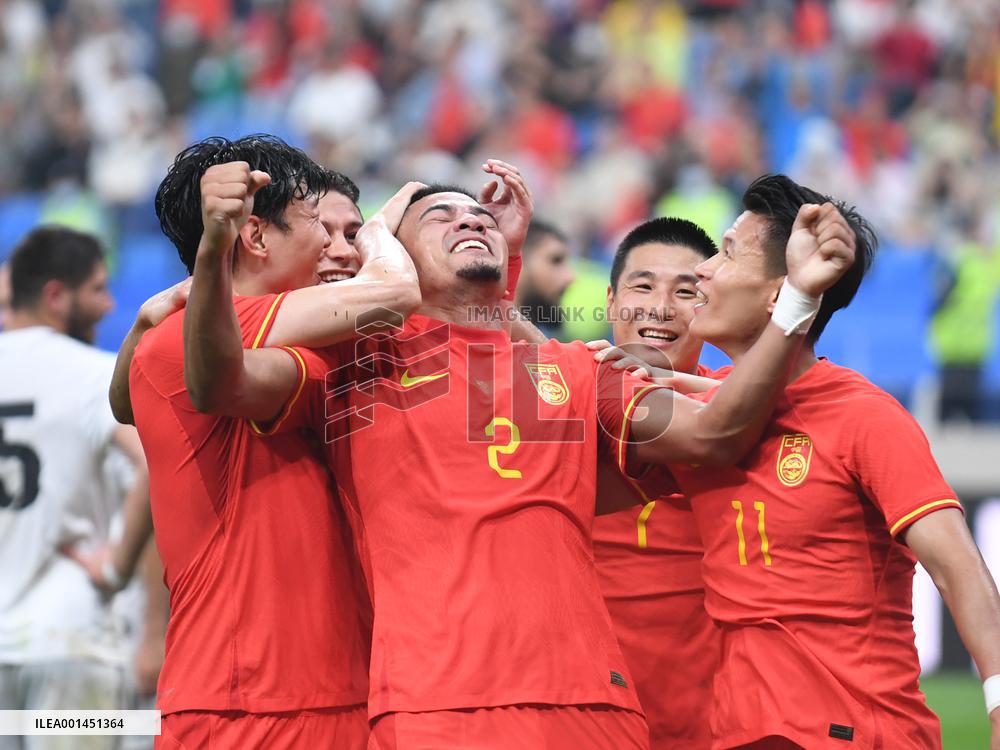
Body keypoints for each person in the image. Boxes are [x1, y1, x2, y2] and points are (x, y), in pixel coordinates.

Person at [182, 173, 857, 748]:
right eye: (439, 215)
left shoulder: (567, 369)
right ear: (391, 252)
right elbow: (218, 383)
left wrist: (796, 301)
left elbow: (712, 436)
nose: (467, 219)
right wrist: (215, 247)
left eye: (478, 215)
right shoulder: (353, 368)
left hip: (594, 709)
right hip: (436, 710)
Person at [660, 174, 1000, 749]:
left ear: (780, 292)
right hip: (739, 732)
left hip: (855, 731)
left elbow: (956, 566)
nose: (703, 269)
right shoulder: (701, 407)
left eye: (726, 252)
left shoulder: (865, 417)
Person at [121, 135, 422, 749]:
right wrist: (382, 240)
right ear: (255, 237)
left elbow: (122, 401)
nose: (342, 252)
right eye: (325, 229)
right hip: (248, 705)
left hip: (345, 692)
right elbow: (394, 294)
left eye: (353, 234)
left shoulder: (307, 351)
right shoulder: (204, 336)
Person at [0, 227, 151, 750]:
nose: (109, 305)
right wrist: (117, 566)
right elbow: (155, 464)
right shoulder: (93, 374)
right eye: (98, 289)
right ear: (55, 296)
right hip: (68, 638)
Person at [590, 217, 721, 750]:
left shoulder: (750, 411)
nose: (660, 308)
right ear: (610, 299)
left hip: (712, 725)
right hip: (581, 717)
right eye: (642, 286)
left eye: (685, 292)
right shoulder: (551, 394)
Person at [513, 219, 576, 338]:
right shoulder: (478, 346)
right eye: (556, 260)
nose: (570, 277)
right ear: (515, 260)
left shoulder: (551, 346)